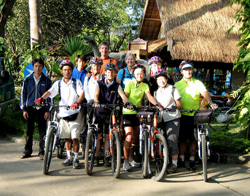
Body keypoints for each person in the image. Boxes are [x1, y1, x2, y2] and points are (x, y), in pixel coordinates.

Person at [36, 59, 85, 169]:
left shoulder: (76, 82)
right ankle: (69, 157)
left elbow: (82, 94)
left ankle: (76, 158)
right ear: (62, 71)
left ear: (72, 71)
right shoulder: (58, 83)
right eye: (64, 70)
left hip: (75, 112)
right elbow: (50, 92)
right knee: (66, 137)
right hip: (63, 113)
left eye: (69, 70)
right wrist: (41, 98)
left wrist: (77, 103)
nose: (67, 72)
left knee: (75, 138)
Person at [174, 60, 217, 170]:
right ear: (181, 71)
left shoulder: (198, 83)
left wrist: (211, 102)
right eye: (185, 70)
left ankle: (192, 160)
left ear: (192, 71)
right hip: (182, 114)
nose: (188, 71)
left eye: (189, 69)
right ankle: (182, 159)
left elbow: (205, 93)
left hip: (195, 115)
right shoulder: (177, 85)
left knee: (193, 139)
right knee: (182, 139)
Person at [93, 62, 132, 166]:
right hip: (100, 111)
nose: (110, 74)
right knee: (99, 135)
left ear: (115, 73)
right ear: (105, 73)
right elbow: (96, 95)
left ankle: (106, 157)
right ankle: (96, 156)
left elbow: (123, 96)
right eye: (108, 72)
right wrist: (96, 102)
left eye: (112, 72)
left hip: (110, 113)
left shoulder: (117, 86)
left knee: (107, 135)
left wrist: (127, 102)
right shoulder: (99, 83)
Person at [123, 65, 158, 171]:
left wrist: (157, 105)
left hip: (138, 113)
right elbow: (125, 96)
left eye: (141, 73)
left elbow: (149, 96)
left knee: (135, 138)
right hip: (128, 112)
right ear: (134, 75)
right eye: (137, 73)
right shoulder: (129, 83)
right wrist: (127, 104)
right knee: (129, 137)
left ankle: (131, 158)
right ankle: (125, 161)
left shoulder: (145, 85)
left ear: (144, 74)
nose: (139, 75)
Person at [19, 58, 52, 160]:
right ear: (33, 67)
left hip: (42, 109)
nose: (38, 68)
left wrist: (47, 110)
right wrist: (24, 109)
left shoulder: (47, 81)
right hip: (30, 108)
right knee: (29, 131)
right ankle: (27, 151)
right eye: (36, 66)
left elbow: (50, 96)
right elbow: (23, 95)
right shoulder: (27, 79)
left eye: (40, 66)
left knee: (43, 131)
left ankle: (42, 152)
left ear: (43, 67)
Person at [154, 73, 182, 173]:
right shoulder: (156, 92)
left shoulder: (173, 89)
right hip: (161, 118)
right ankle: (165, 162)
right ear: (156, 81)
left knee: (172, 140)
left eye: (163, 79)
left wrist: (174, 107)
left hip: (172, 117)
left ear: (166, 80)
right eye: (159, 79)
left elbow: (179, 104)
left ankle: (174, 164)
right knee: (162, 140)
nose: (162, 81)